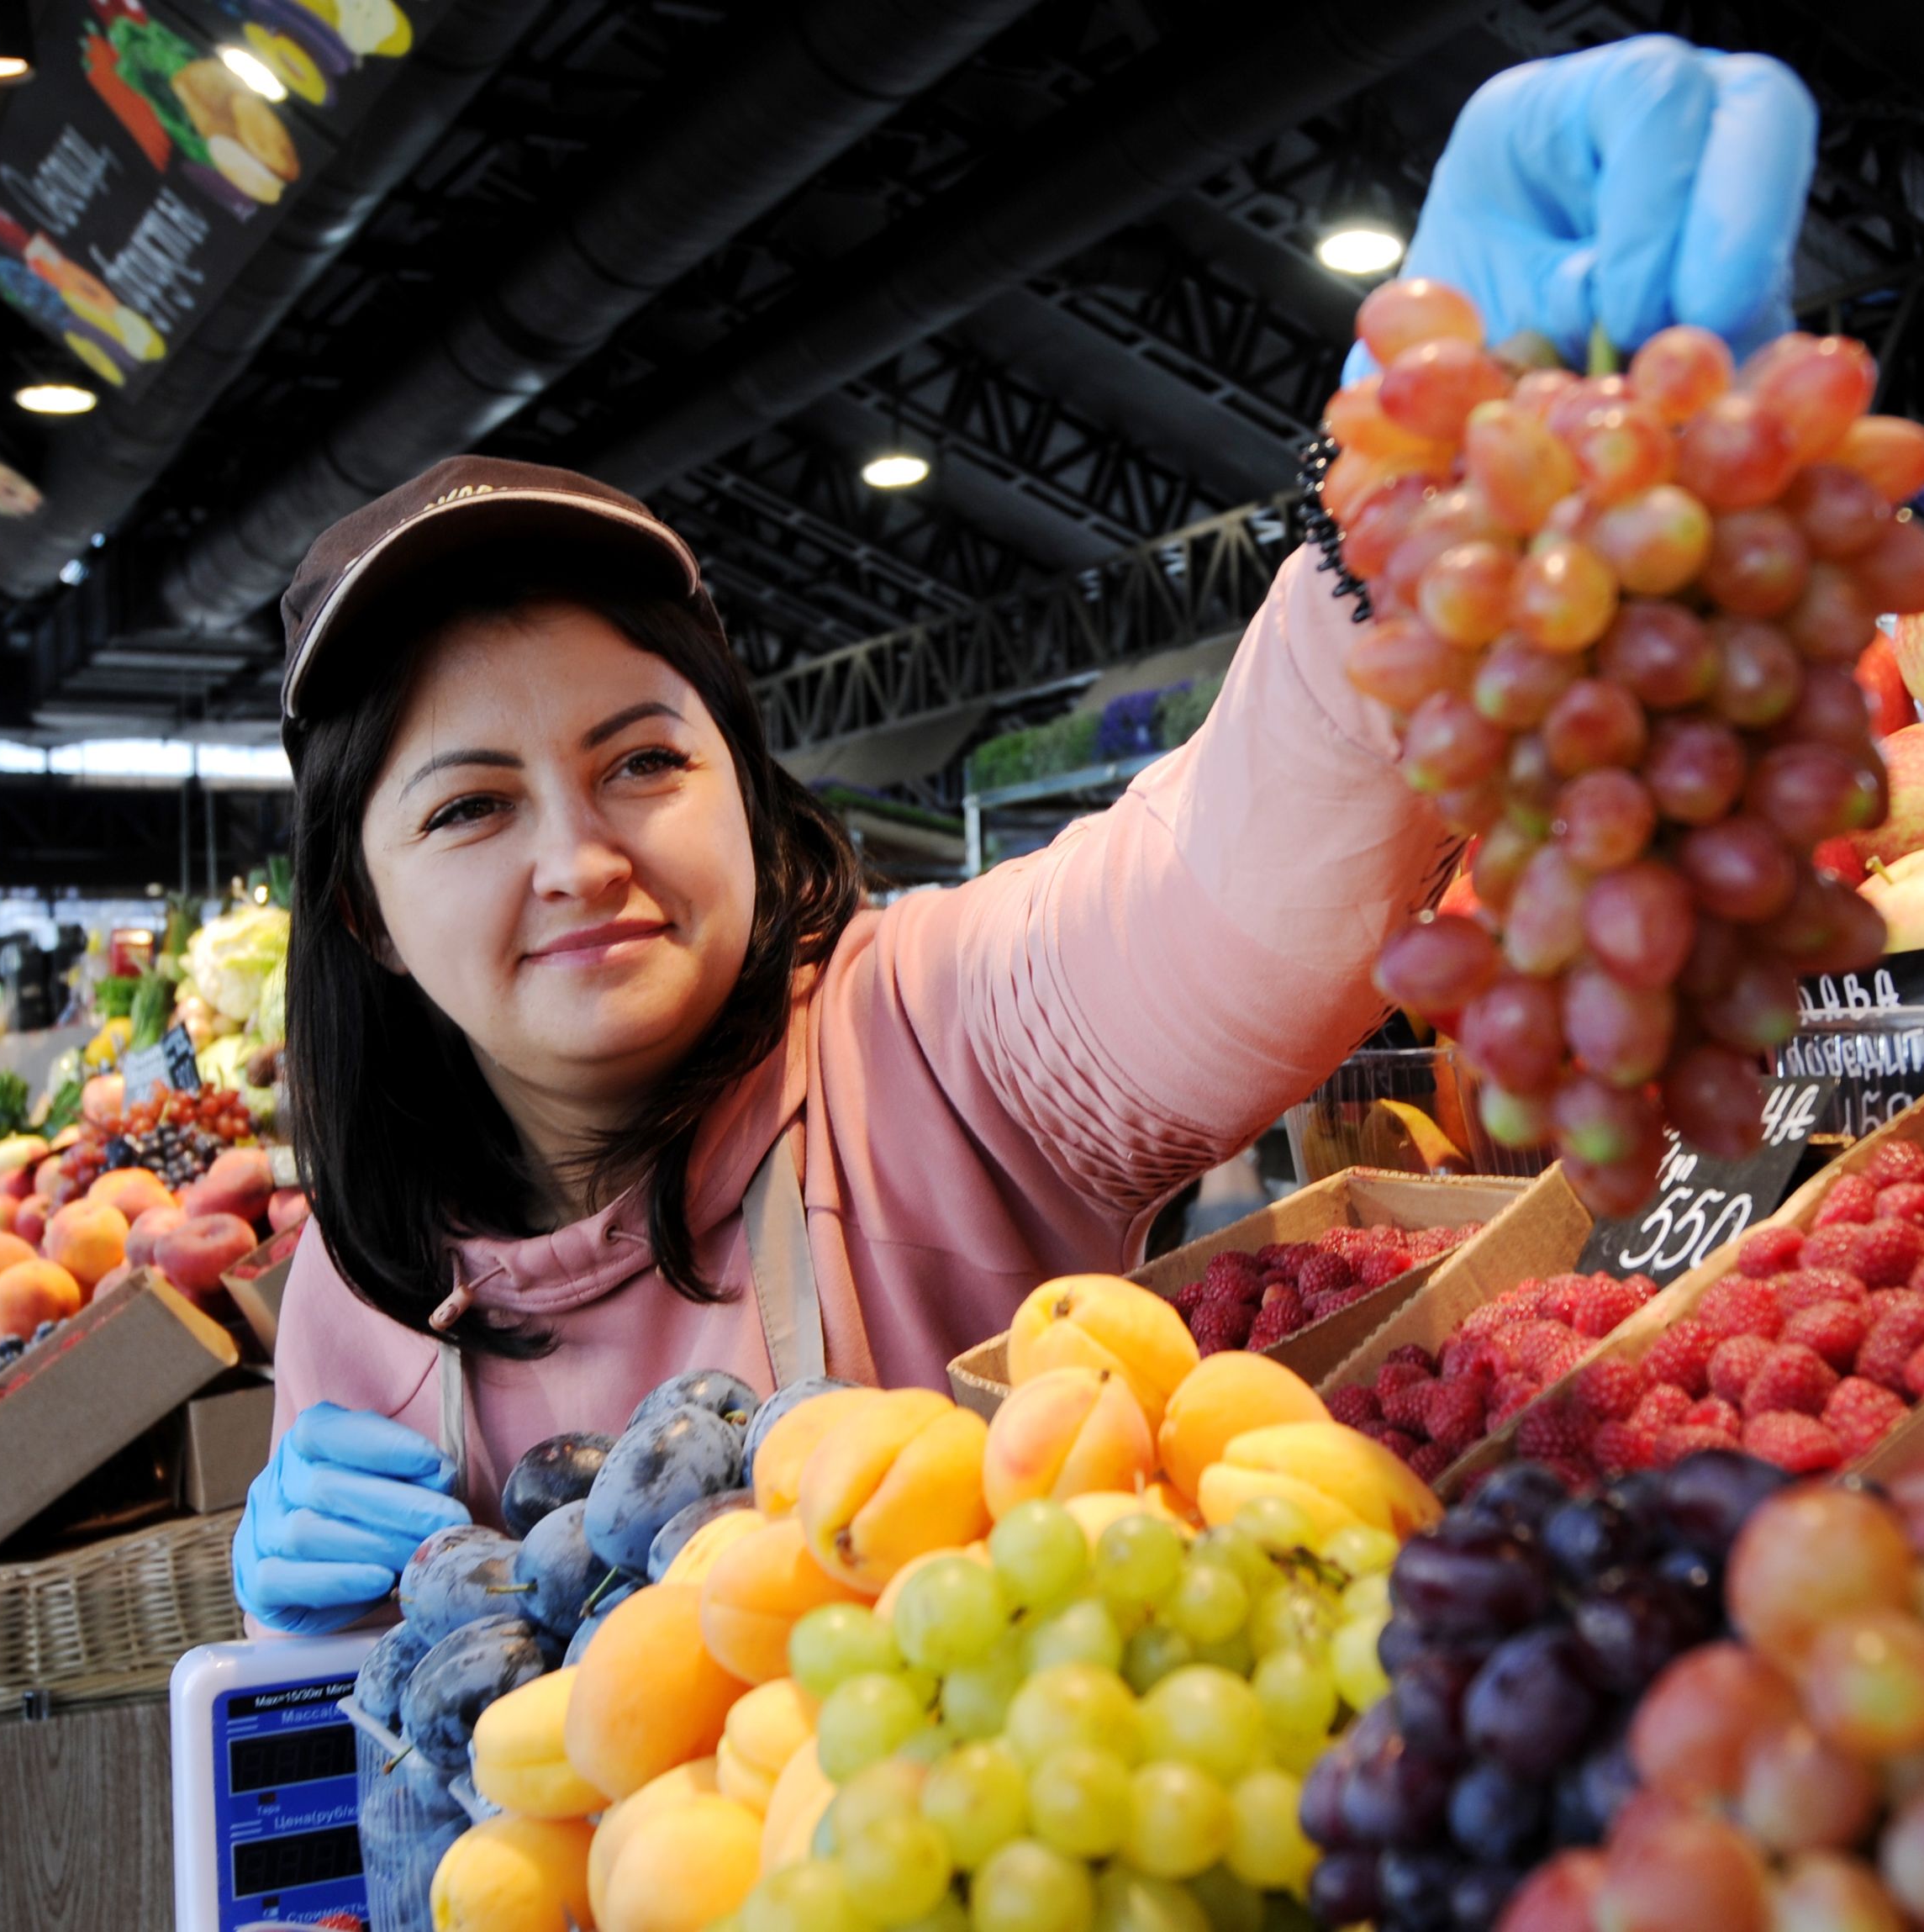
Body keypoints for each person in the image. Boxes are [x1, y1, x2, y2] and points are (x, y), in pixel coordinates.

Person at [234, 35, 1817, 1634]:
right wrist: (291, 1635)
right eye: (469, 806)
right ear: (361, 905)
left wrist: (1415, 485)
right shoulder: (355, 1292)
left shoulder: (918, 1042)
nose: (577, 854)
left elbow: (1224, 903)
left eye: (641, 758)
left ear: (740, 774)